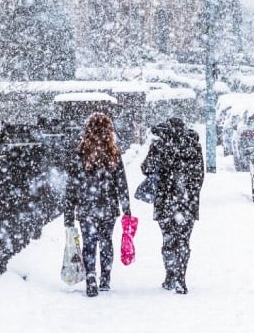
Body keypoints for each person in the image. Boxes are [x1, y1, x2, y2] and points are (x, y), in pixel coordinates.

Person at [63, 112, 131, 297]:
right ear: (109, 130)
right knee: (106, 241)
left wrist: (69, 214)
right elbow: (121, 183)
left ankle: (91, 275)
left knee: (89, 242)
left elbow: (72, 186)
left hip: (87, 207)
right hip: (108, 206)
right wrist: (126, 208)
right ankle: (105, 278)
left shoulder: (80, 153)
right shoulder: (113, 153)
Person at [141, 117, 204, 294]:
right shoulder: (193, 146)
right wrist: (190, 193)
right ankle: (181, 277)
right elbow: (199, 176)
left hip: (165, 200)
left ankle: (170, 275)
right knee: (183, 240)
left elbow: (146, 168)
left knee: (168, 239)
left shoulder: (159, 146)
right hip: (187, 201)